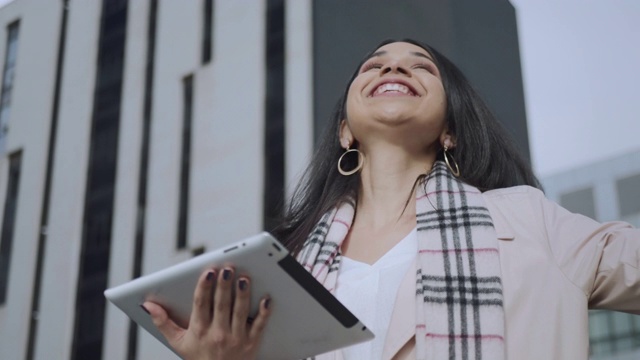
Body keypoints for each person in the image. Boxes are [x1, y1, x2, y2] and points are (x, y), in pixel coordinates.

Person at [142, 39, 640, 359]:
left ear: (450, 129)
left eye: (419, 65)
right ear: (344, 132)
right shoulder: (282, 268)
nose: (394, 65)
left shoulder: (528, 220)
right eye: (373, 65)